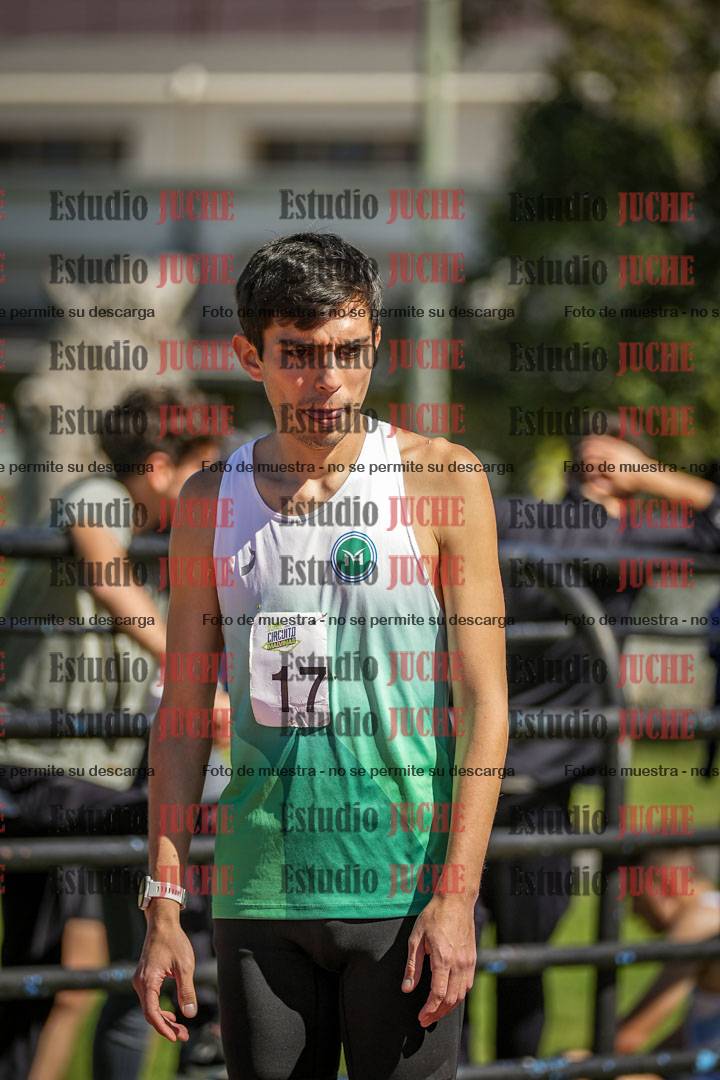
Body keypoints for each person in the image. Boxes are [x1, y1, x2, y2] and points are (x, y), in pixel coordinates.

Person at [132, 231, 509, 1080]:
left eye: (348, 351)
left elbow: (486, 705)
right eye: (298, 355)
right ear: (250, 357)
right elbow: (182, 714)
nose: (328, 378)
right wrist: (164, 903)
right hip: (260, 894)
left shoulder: (443, 479)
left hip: (404, 893)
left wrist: (456, 894)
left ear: (376, 344)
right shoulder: (209, 500)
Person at [464, 425, 720, 1063]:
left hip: (476, 775)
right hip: (532, 784)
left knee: (459, 963)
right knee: (521, 965)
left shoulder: (513, 519)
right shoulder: (623, 535)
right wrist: (651, 475)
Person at [0, 386, 223, 1080]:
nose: (212, 488)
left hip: (88, 774)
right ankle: (211, 1018)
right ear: (158, 466)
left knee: (44, 968)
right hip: (37, 765)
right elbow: (102, 570)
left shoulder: (157, 543)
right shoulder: (101, 495)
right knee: (174, 838)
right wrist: (191, 671)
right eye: (202, 469)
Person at [614, 847, 720, 1080]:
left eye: (635, 895)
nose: (633, 911)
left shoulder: (700, 923)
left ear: (662, 886)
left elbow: (630, 1037)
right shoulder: (714, 912)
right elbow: (689, 1037)